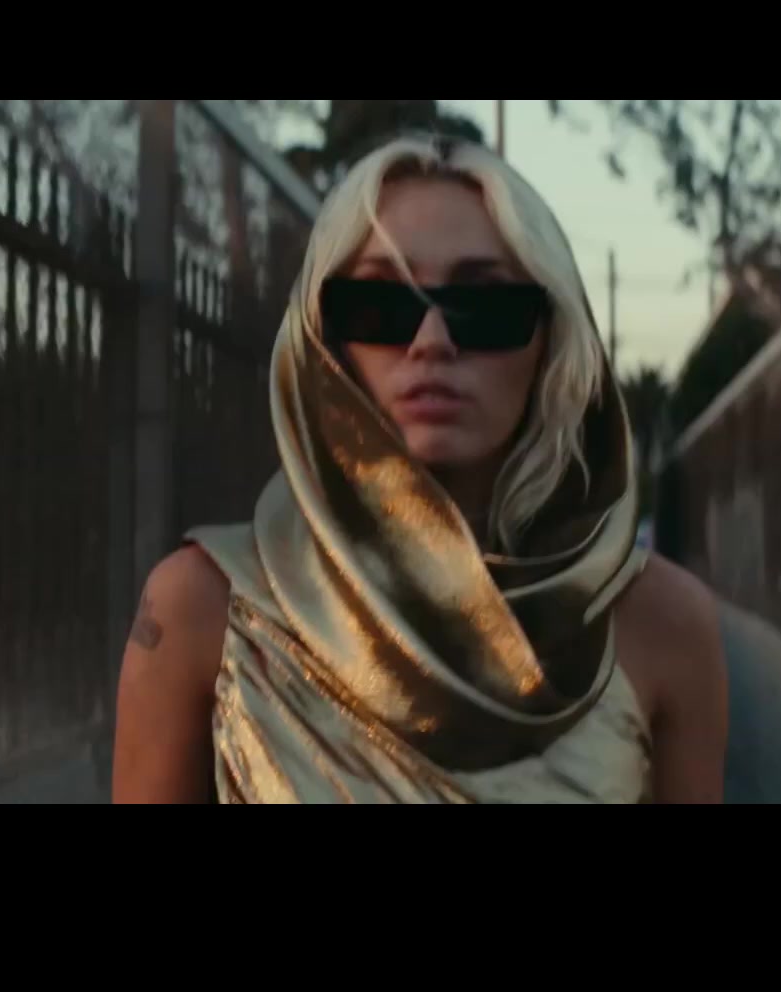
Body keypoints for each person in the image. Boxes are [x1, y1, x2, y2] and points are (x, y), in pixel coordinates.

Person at [111, 134, 726, 803]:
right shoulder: (200, 612)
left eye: (484, 308)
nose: (431, 342)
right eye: (380, 306)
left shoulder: (663, 625)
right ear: (324, 340)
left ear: (551, 340)